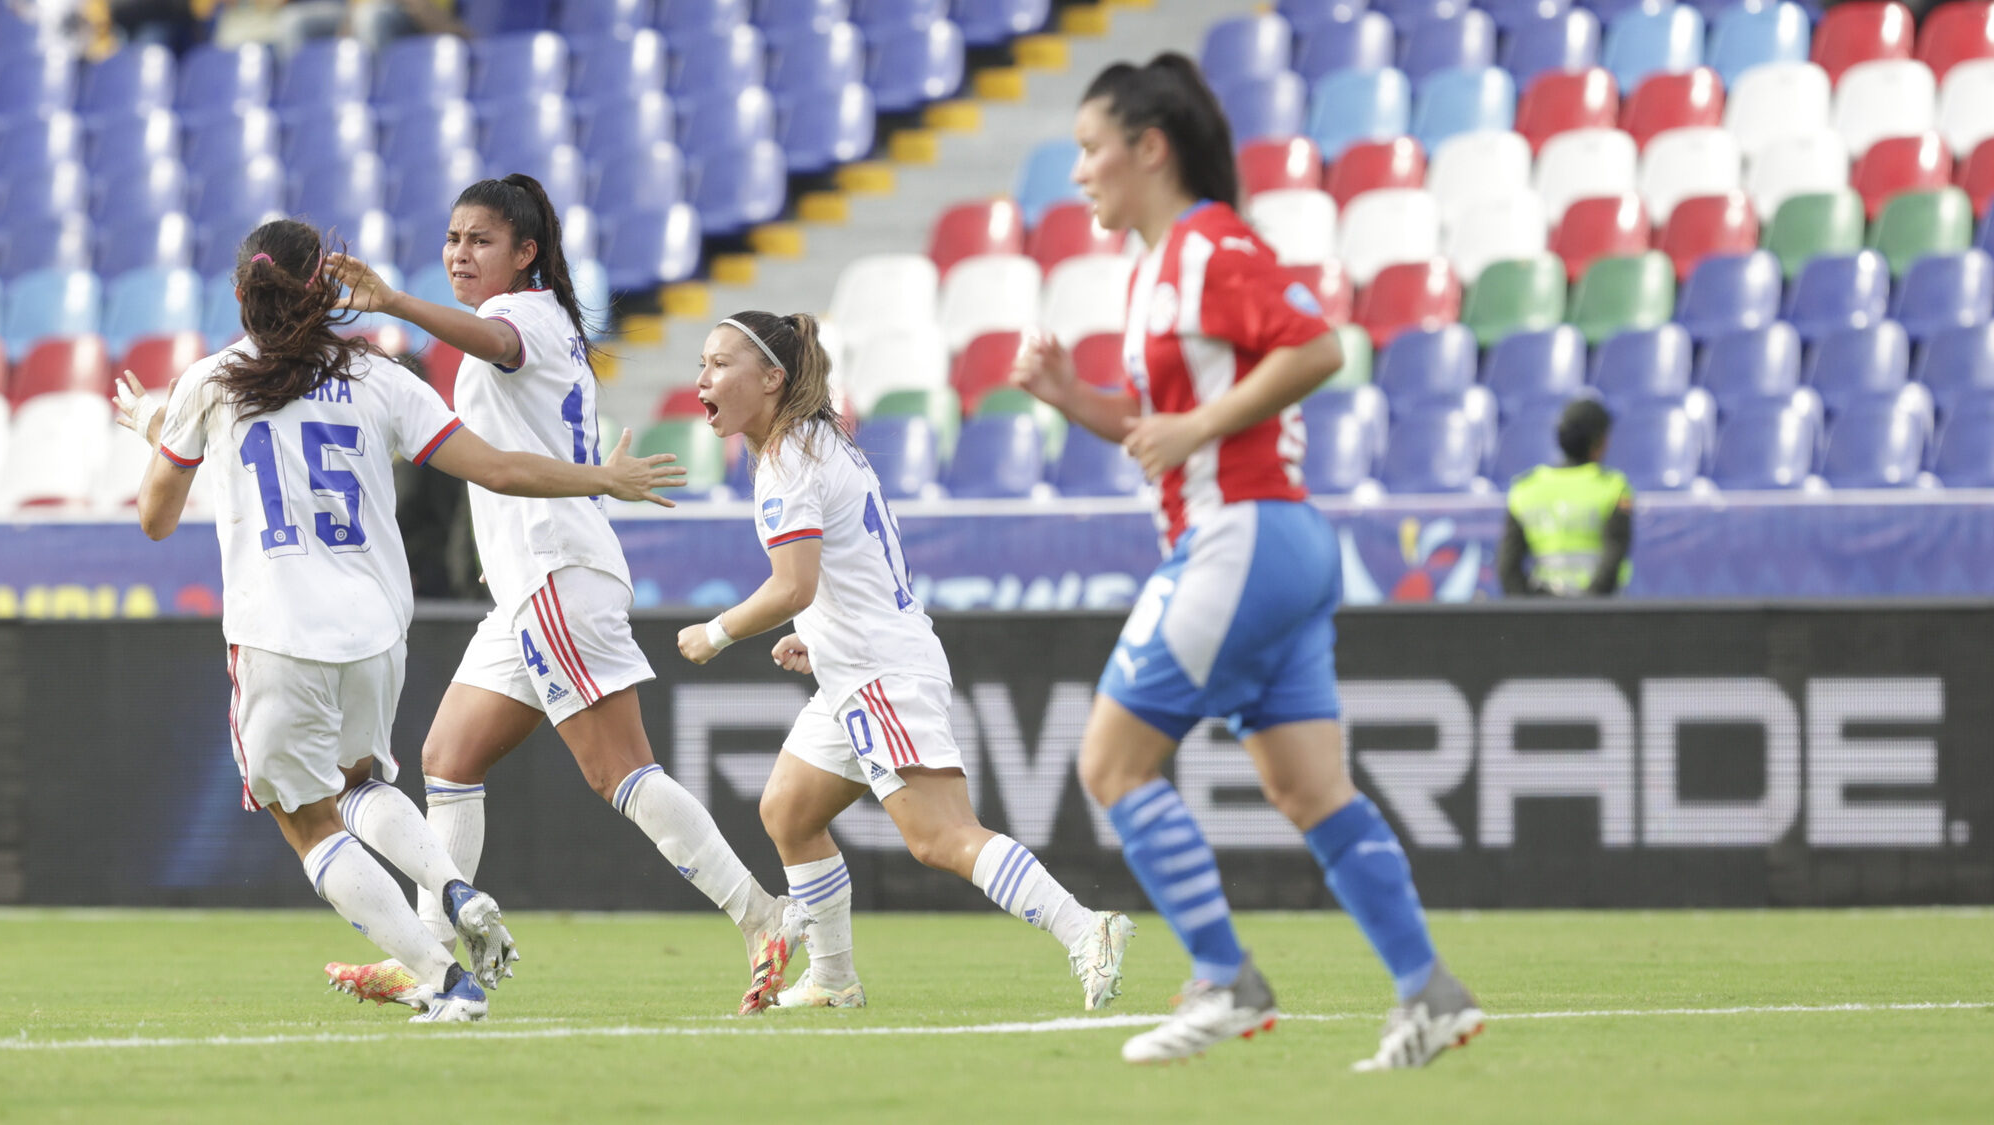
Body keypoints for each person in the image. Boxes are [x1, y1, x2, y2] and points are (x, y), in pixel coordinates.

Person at [1010, 54, 1485, 1068]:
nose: (1079, 171)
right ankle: (1428, 994)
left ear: (1149, 146)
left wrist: (1191, 430)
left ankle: (1223, 978)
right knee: (1311, 794)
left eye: (1091, 148)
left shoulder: (1208, 244)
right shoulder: (1160, 266)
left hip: (1241, 537)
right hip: (1275, 541)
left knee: (1110, 763)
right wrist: (1074, 402)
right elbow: (1163, 432)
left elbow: (1315, 348)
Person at [113, 217, 688, 1022]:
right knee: (362, 784)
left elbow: (155, 517)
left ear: (242, 293)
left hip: (277, 628)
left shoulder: (211, 381)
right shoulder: (381, 376)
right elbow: (495, 468)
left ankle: (442, 974)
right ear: (328, 290)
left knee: (305, 818)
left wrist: (157, 429)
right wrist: (600, 476)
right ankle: (452, 885)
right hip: (377, 629)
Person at [320, 174, 807, 1015]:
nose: (460, 254)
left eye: (480, 240)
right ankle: (439, 960)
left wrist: (395, 299)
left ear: (526, 253)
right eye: (453, 238)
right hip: (529, 585)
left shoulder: (526, 318)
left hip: (554, 574)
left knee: (619, 768)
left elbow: (494, 344)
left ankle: (763, 914)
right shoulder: (544, 322)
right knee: (449, 757)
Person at [675, 311, 1136, 1011]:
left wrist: (716, 631)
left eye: (718, 363)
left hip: (877, 670)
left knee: (940, 835)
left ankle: (1087, 929)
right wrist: (820, 632)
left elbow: (792, 584)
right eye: (702, 363)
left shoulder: (788, 462)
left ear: (772, 378)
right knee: (790, 810)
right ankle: (832, 976)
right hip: (859, 660)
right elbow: (845, 569)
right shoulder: (813, 442)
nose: (701, 379)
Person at [1499, 398, 1633, 597]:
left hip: (1543, 614)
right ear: (1599, 441)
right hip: (1597, 615)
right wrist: (1585, 609)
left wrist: (1531, 610)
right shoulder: (1613, 488)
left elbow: (1508, 568)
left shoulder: (1525, 490)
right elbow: (1613, 557)